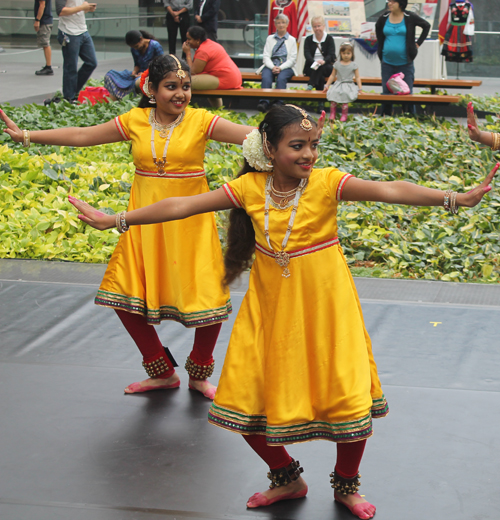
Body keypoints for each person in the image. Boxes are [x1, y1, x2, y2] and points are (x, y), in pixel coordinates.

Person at [64, 104, 497, 519]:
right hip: (269, 310)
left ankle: (347, 485)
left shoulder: (327, 182)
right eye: (297, 145)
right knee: (246, 400)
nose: (308, 154)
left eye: (313, 144)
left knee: (346, 393)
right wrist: (117, 219)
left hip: (328, 308)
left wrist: (455, 199)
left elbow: (389, 191)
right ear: (269, 149)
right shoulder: (250, 188)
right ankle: (286, 477)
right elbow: (181, 205)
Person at [0, 54, 255, 400]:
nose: (180, 94)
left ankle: (199, 372)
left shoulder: (200, 121)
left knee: (207, 298)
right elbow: (82, 135)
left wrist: (287, 132)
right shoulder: (135, 120)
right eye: (171, 87)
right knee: (122, 295)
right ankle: (161, 371)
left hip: (190, 227)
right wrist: (28, 135)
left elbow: (251, 137)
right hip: (143, 224)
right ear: (151, 89)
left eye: (185, 87)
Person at [375, 0, 430, 116]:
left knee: (407, 93)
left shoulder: (409, 17)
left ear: (400, 3)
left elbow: (426, 26)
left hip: (405, 63)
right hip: (387, 63)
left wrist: (418, 44)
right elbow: (378, 30)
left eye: (393, 1)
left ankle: (409, 118)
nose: (389, 3)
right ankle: (385, 119)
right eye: (388, 1)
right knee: (386, 93)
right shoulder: (384, 17)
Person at [54, 0, 98, 103]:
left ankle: (72, 91)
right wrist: (82, 7)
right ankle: (69, 97)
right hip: (69, 32)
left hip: (83, 30)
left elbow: (77, 9)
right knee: (71, 66)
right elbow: (61, 11)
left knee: (92, 63)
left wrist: (87, 8)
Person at [104, 30, 163, 101]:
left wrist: (146, 73)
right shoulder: (134, 49)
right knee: (110, 74)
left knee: (139, 82)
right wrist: (134, 72)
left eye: (136, 46)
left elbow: (160, 65)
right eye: (134, 47)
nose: (136, 48)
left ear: (141, 39)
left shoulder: (155, 46)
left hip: (150, 74)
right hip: (139, 74)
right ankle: (114, 100)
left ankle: (124, 98)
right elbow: (137, 64)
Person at [257, 14, 297, 113]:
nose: (281, 25)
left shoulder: (291, 40)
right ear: (275, 24)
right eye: (278, 23)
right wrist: (272, 67)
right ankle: (264, 102)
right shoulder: (270, 38)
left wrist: (280, 68)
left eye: (283, 22)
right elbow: (266, 56)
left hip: (286, 66)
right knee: (266, 77)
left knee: (281, 78)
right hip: (271, 65)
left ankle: (278, 102)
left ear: (287, 24)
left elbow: (292, 59)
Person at [324, 42, 363, 122]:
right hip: (338, 83)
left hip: (349, 84)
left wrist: (360, 88)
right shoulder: (337, 64)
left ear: (352, 54)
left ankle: (344, 114)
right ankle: (332, 114)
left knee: (346, 94)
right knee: (333, 92)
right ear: (340, 54)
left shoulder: (353, 65)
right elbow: (332, 75)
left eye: (348, 53)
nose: (346, 55)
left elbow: (357, 77)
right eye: (344, 53)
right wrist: (327, 85)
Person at [303, 16, 336, 92]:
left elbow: (331, 54)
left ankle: (311, 84)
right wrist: (314, 62)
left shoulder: (329, 39)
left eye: (319, 26)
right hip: (311, 66)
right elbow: (307, 54)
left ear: (323, 26)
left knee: (321, 68)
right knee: (320, 76)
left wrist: (324, 61)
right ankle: (320, 100)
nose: (317, 28)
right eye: (315, 26)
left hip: (326, 66)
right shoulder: (308, 40)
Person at [34, 0, 54, 76]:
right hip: (47, 20)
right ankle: (48, 66)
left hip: (44, 21)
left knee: (45, 43)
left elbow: (42, 5)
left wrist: (37, 20)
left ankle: (48, 67)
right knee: (45, 43)